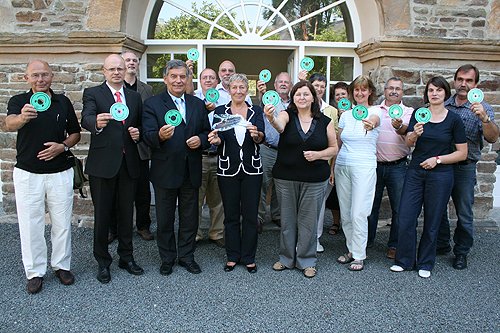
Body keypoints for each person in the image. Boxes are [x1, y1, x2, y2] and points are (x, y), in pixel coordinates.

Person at [6, 60, 81, 294]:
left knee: (62, 222)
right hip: (28, 173)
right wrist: (23, 117)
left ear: (52, 76)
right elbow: (9, 124)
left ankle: (61, 266)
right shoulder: (19, 101)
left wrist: (62, 146)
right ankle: (35, 272)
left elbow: (75, 134)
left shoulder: (63, 101)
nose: (41, 79)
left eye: (45, 75)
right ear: (26, 78)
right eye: (35, 75)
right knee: (31, 224)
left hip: (60, 172)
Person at [391, 76, 468, 279]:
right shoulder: (419, 114)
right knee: (406, 217)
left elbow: (462, 153)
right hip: (415, 172)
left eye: (439, 90)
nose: (434, 94)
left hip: (441, 175)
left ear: (445, 93)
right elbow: (408, 144)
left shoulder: (453, 119)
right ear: (427, 94)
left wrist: (438, 160)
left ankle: (425, 262)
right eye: (431, 90)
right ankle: (404, 260)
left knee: (432, 220)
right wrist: (414, 134)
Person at [142, 59, 210, 276]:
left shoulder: (197, 104)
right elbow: (147, 136)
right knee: (164, 219)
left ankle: (187, 256)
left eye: (183, 76)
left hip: (191, 169)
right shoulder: (153, 104)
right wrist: (160, 136)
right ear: (166, 78)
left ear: (188, 79)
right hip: (165, 171)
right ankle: (167, 258)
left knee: (190, 218)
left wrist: (201, 140)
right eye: (174, 76)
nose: (179, 80)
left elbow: (206, 132)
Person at [265, 81, 338, 278]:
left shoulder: (325, 121)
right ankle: (286, 258)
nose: (302, 98)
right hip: (286, 178)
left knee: (308, 222)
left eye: (306, 94)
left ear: (313, 97)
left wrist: (319, 155)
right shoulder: (287, 115)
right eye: (298, 94)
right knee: (288, 221)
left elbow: (334, 148)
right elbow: (279, 127)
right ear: (293, 97)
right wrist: (271, 117)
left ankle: (307, 260)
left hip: (315, 180)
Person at [82, 54, 144, 283]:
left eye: (120, 68)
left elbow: (138, 125)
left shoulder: (134, 97)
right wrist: (95, 122)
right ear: (104, 71)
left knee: (127, 213)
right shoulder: (93, 93)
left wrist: (137, 135)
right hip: (103, 164)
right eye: (112, 69)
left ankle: (126, 258)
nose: (117, 72)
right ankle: (103, 262)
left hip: (128, 163)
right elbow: (86, 117)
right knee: (103, 215)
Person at [437, 64, 499, 269]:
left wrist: (484, 118)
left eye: (469, 80)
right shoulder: (444, 104)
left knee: (463, 211)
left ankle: (462, 251)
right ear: (455, 81)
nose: (464, 84)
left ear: (476, 84)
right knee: (439, 207)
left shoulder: (483, 107)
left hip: (465, 167)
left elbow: (492, 137)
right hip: (443, 165)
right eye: (460, 79)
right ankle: (442, 243)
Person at [208, 73, 264, 273]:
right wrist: (216, 142)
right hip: (227, 168)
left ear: (247, 90)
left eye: (242, 87)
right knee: (230, 215)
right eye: (235, 87)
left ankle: (249, 257)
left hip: (252, 169)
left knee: (250, 216)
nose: (239, 91)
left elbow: (261, 137)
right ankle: (233, 256)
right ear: (229, 90)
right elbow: (219, 138)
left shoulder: (255, 111)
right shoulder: (220, 111)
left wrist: (257, 136)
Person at [335, 75, 382, 271]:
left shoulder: (375, 111)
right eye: (356, 90)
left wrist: (369, 123)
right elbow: (338, 143)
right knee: (345, 213)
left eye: (364, 89)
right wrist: (332, 169)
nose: (360, 93)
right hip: (342, 165)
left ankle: (360, 255)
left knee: (358, 213)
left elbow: (374, 121)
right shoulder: (346, 114)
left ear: (370, 91)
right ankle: (352, 250)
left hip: (364, 166)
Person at [108, 51, 154, 243]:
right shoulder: (111, 89)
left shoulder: (146, 89)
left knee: (142, 190)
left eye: (135, 60)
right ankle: (114, 228)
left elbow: (149, 116)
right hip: (117, 148)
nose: (132, 63)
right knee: (114, 190)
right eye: (128, 60)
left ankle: (143, 226)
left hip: (139, 146)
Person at [367, 77, 413, 259]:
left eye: (398, 89)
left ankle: (394, 245)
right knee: (371, 206)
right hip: (375, 165)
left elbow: (409, 132)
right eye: (390, 88)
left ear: (402, 92)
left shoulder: (408, 111)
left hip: (398, 166)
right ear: (384, 91)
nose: (394, 91)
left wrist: (400, 126)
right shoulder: (375, 110)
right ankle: (368, 241)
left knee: (399, 208)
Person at [192, 68, 225, 247]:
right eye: (205, 77)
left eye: (212, 77)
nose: (208, 80)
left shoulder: (225, 100)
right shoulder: (193, 99)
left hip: (219, 155)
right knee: (196, 197)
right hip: (200, 156)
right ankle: (195, 234)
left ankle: (216, 233)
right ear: (200, 80)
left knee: (217, 198)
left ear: (216, 80)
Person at [306, 73, 339, 253]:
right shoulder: (300, 107)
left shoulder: (331, 111)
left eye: (322, 86)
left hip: (324, 165)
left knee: (319, 206)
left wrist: (332, 169)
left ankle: (316, 238)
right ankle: (301, 239)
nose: (319, 89)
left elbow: (336, 143)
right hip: (304, 164)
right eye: (316, 85)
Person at [255, 72, 292, 231]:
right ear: (275, 85)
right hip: (268, 148)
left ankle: (277, 215)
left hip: (287, 151)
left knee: (281, 186)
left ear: (290, 86)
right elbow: (262, 100)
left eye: (286, 82)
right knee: (262, 184)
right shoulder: (269, 99)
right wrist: (262, 91)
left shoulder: (295, 102)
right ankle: (259, 217)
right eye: (280, 82)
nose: (283, 84)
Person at [325, 81, 350, 236]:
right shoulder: (333, 112)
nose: (340, 96)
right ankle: (336, 222)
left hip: (350, 157)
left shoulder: (357, 111)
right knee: (334, 194)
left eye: (343, 93)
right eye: (337, 94)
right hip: (335, 156)